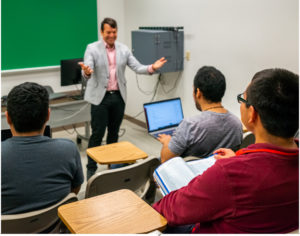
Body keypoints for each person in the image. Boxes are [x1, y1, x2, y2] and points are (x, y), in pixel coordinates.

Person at [153, 68, 299, 233]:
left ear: (252, 114)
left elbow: (170, 209)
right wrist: (238, 158)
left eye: (242, 99)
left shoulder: (228, 175)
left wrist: (233, 168)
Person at [79, 17, 167, 179]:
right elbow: (87, 68)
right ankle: (91, 167)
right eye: (108, 32)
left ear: (117, 31)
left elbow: (137, 67)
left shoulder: (123, 49)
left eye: (114, 32)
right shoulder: (92, 48)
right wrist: (87, 72)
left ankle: (113, 165)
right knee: (97, 134)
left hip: (118, 97)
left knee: (114, 133)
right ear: (102, 32)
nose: (111, 35)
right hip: (100, 98)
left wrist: (151, 67)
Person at [2, 82, 84, 215]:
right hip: (57, 227)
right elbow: (74, 190)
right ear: (48, 115)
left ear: (8, 118)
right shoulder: (69, 149)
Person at [158, 66, 243, 163]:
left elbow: (165, 160)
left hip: (191, 176)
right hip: (221, 175)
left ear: (198, 92)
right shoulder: (237, 124)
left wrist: (167, 142)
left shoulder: (190, 125)